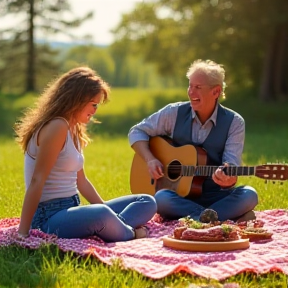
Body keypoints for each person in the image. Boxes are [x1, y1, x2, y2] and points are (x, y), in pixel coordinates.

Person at [14, 66, 157, 242]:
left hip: (72, 207)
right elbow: (37, 179)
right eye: (93, 104)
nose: (95, 110)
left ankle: (111, 226)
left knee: (147, 201)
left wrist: (106, 209)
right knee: (101, 214)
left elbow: (81, 181)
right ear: (77, 99)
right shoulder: (56, 127)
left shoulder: (73, 127)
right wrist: (23, 232)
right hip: (47, 217)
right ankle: (129, 233)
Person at [128, 59, 258, 222]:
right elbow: (136, 131)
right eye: (190, 85)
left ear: (216, 92)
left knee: (249, 195)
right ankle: (214, 218)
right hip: (180, 197)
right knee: (160, 198)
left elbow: (231, 164)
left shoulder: (234, 122)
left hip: (216, 196)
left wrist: (227, 179)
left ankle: (196, 219)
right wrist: (150, 159)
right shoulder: (174, 113)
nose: (190, 92)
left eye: (197, 87)